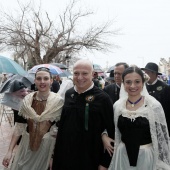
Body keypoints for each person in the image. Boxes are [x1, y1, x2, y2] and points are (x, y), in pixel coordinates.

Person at [52, 59, 115, 170]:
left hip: (89, 159)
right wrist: (54, 156)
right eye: (76, 73)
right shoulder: (69, 93)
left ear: (92, 74)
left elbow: (112, 132)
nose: (80, 77)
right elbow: (62, 127)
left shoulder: (103, 98)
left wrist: (105, 163)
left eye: (85, 73)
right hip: (65, 157)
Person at [104, 66, 170, 170]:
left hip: (146, 157)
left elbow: (162, 136)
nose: (132, 86)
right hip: (122, 156)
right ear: (123, 83)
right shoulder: (118, 105)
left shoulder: (153, 105)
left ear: (143, 83)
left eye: (137, 81)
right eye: (128, 82)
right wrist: (104, 135)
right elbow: (110, 126)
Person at [2, 67, 64, 170]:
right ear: (35, 81)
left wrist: (53, 156)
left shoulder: (58, 102)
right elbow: (19, 127)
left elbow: (60, 133)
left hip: (46, 151)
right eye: (39, 79)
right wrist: (9, 151)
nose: (42, 82)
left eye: (45, 78)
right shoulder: (27, 101)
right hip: (26, 148)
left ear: (51, 81)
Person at [141, 62, 170, 134]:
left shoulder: (165, 87)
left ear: (154, 73)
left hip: (162, 122)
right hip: (146, 124)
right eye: (144, 73)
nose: (145, 75)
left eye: (147, 73)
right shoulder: (142, 87)